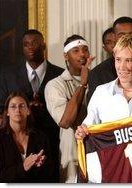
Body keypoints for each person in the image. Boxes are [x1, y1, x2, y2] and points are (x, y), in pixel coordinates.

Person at [75, 34, 132, 182]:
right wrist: (81, 132)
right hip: (110, 174)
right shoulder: (101, 92)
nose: (121, 67)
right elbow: (88, 128)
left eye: (128, 60)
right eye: (118, 59)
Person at [0, 29, 64, 182]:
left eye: (34, 43)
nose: (30, 47)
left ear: (44, 45)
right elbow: (0, 109)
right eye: (26, 44)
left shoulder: (60, 74)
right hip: (13, 146)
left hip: (53, 143)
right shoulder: (7, 76)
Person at [45, 35, 94, 183]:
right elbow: (65, 121)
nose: (82, 54)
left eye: (85, 50)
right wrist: (83, 84)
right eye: (76, 50)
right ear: (66, 55)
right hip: (72, 155)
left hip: (98, 149)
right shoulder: (55, 85)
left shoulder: (98, 78)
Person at [0, 92, 53, 182]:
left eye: (22, 106)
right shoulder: (0, 138)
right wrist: (23, 166)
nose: (18, 110)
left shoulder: (41, 137)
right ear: (7, 112)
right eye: (13, 106)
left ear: (28, 111)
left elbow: (49, 175)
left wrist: (41, 166)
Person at [86, 16, 132, 103]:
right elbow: (95, 110)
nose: (128, 39)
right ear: (114, 37)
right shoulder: (98, 73)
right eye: (122, 35)